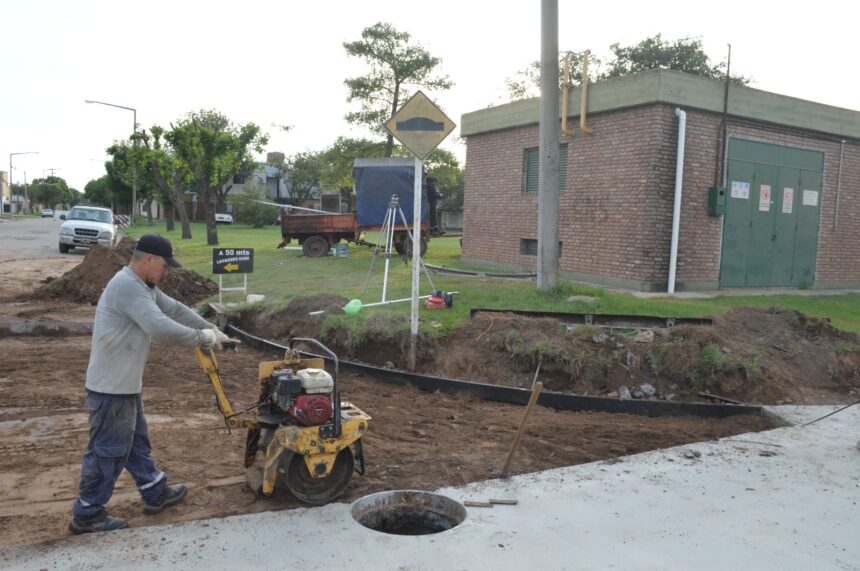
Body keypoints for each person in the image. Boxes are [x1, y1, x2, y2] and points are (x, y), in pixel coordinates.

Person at [69, 234, 230, 534]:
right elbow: (159, 327)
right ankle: (88, 513)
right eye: (165, 266)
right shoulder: (128, 287)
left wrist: (211, 329)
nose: (166, 272)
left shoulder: (144, 286)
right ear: (149, 260)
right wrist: (200, 338)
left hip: (123, 385)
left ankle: (154, 491)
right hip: (111, 388)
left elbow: (176, 310)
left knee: (136, 443)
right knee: (108, 450)